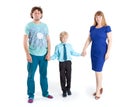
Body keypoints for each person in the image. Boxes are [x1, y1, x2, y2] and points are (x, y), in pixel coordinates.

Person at [23, 6, 53, 103]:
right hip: (33, 55)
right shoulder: (29, 26)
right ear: (32, 14)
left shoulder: (45, 26)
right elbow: (24, 41)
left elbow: (48, 40)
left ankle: (45, 93)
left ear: (41, 15)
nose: (37, 14)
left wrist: (49, 53)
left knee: (44, 75)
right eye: (35, 12)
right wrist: (27, 54)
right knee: (31, 76)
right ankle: (31, 95)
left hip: (44, 55)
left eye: (39, 12)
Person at [81, 11, 112, 100]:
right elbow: (89, 39)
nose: (98, 18)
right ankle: (100, 87)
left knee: (98, 71)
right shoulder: (92, 28)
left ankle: (98, 90)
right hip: (93, 51)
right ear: (95, 18)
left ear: (103, 17)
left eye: (100, 16)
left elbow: (110, 40)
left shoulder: (107, 28)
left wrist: (108, 52)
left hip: (102, 51)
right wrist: (84, 49)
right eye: (96, 17)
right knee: (96, 71)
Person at [51, 31, 81, 97]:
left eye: (65, 38)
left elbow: (73, 52)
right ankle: (64, 91)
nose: (64, 39)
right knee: (62, 77)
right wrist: (50, 58)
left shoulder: (69, 46)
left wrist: (80, 54)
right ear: (60, 38)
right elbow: (55, 55)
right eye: (63, 38)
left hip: (68, 62)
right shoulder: (58, 46)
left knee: (68, 76)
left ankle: (68, 89)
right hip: (62, 63)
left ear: (67, 38)